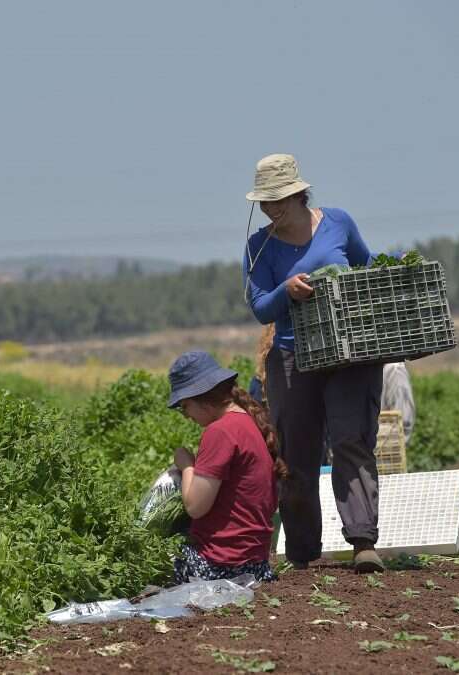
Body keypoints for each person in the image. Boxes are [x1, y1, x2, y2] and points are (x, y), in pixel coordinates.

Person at [242, 153, 385, 573]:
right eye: (264, 203)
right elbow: (262, 309)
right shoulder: (258, 247)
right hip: (291, 355)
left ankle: (363, 544)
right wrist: (287, 290)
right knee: (296, 455)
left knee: (349, 440)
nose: (270, 209)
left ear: (298, 194)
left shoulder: (339, 223)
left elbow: (368, 267)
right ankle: (303, 552)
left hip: (346, 352)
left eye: (278, 200)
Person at [168, 350, 288, 584]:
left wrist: (186, 466)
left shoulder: (220, 431)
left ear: (201, 398)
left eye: (185, 407)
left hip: (219, 566)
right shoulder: (245, 421)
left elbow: (195, 507)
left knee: (149, 557)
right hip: (255, 564)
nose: (186, 416)